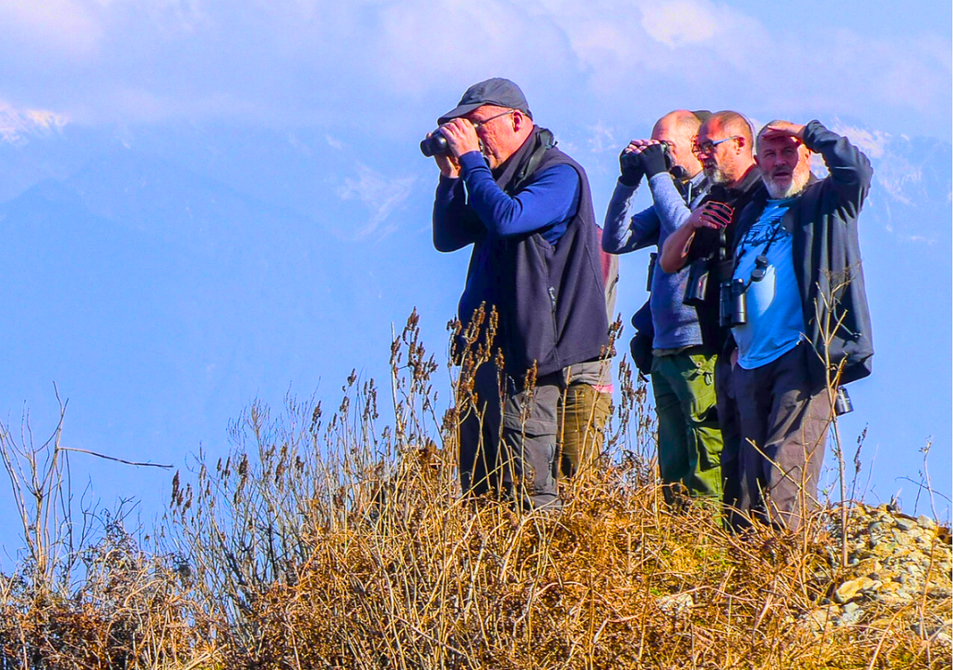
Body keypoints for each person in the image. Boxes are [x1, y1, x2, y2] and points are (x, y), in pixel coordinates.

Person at [430, 78, 610, 510]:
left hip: (531, 358)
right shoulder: (494, 179)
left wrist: (472, 162)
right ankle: (490, 573)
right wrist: (452, 178)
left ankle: (541, 570)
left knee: (528, 484)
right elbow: (449, 236)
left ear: (517, 120)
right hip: (484, 352)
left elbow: (510, 219)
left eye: (477, 124)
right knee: (480, 481)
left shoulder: (558, 174)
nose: (471, 136)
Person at [723, 119, 874, 531]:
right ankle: (745, 575)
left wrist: (810, 130)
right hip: (750, 360)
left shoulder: (827, 202)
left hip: (802, 353)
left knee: (785, 466)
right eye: (769, 155)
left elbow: (857, 171)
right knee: (746, 477)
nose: (779, 163)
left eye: (788, 152)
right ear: (757, 161)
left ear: (808, 156)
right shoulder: (753, 212)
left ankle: (783, 572)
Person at [603, 110, 723, 503]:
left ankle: (710, 540)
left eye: (665, 146)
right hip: (664, 349)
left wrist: (657, 176)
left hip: (699, 346)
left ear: (695, 145)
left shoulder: (715, 194)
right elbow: (615, 240)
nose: (659, 154)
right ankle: (678, 538)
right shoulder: (673, 195)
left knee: (705, 454)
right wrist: (628, 181)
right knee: (672, 461)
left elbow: (686, 228)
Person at [658, 110, 766, 526]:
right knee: (725, 449)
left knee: (745, 452)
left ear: (740, 144)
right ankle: (721, 541)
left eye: (709, 146)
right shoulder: (714, 198)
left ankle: (751, 546)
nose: (702, 156)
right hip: (719, 343)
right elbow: (670, 262)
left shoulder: (764, 196)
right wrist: (692, 223)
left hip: (754, 345)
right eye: (699, 146)